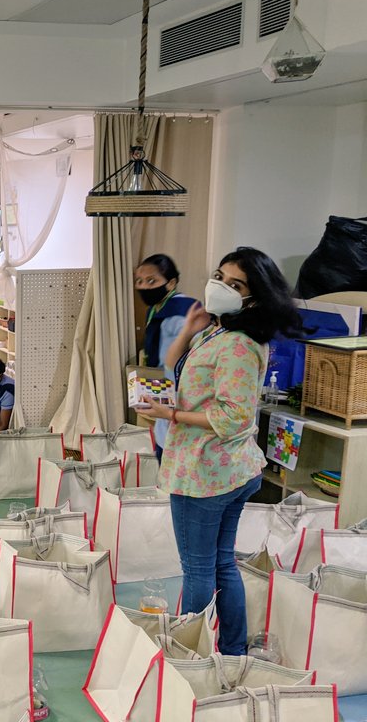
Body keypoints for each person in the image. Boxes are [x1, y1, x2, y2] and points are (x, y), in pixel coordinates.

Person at [142, 247, 305, 656]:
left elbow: (234, 416)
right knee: (220, 563)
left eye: (235, 284)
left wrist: (173, 415)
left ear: (254, 296)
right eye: (220, 277)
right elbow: (171, 363)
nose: (221, 287)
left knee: (199, 568)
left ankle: (189, 654)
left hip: (209, 472)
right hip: (221, 469)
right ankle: (231, 649)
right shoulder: (217, 331)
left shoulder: (238, 344)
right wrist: (190, 327)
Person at [134, 254, 196, 458]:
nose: (144, 286)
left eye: (152, 281)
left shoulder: (181, 313)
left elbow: (189, 360)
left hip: (184, 395)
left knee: (173, 451)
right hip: (164, 392)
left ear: (171, 283)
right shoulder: (157, 308)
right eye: (139, 281)